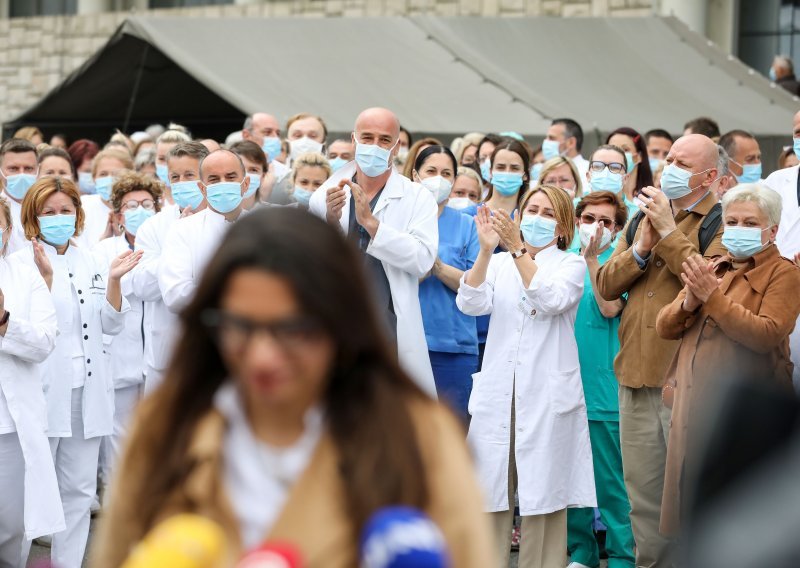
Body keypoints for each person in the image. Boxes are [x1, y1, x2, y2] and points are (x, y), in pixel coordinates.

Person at [91, 207, 494, 567]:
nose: (263, 356)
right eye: (241, 326)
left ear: (342, 324)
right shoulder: (165, 428)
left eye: (293, 329)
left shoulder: (420, 436)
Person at [596, 133, 726, 568]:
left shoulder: (722, 222)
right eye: (667, 158)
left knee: (690, 500)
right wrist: (641, 245)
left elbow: (707, 283)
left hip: (688, 381)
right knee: (644, 503)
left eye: (681, 162)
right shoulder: (642, 217)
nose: (668, 166)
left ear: (708, 176)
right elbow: (607, 284)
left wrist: (670, 233)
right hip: (635, 374)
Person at [457, 184, 595, 568]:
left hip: (546, 395)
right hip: (500, 391)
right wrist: (487, 251)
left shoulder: (571, 264)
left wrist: (517, 248)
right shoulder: (498, 264)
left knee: (544, 495)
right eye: (531, 209)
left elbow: (549, 299)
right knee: (491, 491)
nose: (537, 218)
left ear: (563, 227)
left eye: (548, 213)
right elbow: (470, 303)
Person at [656, 183, 800, 535]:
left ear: (773, 231)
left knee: (738, 522)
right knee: (692, 517)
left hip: (744, 415)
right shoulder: (713, 266)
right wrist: (689, 302)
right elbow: (664, 326)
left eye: (750, 223)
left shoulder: (784, 273)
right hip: (692, 408)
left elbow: (766, 333)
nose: (739, 229)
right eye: (732, 221)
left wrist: (713, 299)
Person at [10, 177, 139, 568]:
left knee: (79, 492)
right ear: (33, 218)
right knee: (31, 493)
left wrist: (115, 280)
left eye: (65, 210)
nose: (58, 218)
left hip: (89, 390)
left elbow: (111, 325)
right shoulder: (18, 265)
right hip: (44, 392)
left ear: (78, 215)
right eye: (49, 212)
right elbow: (24, 329)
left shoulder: (95, 260)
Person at [309, 107, 438, 397]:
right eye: (367, 138)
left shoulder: (417, 198)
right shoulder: (324, 196)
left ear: (396, 147)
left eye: (384, 139)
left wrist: (372, 225)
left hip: (390, 329)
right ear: (353, 141)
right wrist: (331, 222)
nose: (374, 147)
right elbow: (313, 267)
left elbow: (422, 260)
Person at [566, 191, 635, 568]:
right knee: (569, 481)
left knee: (611, 484)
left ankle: (624, 556)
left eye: (606, 221)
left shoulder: (621, 263)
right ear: (576, 222)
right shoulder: (559, 261)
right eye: (589, 217)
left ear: (619, 228)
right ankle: (581, 551)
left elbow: (609, 307)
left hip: (603, 392)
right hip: (563, 388)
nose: (596, 226)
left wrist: (593, 261)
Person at [0, 195, 64, 568]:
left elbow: (44, 341)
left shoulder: (24, 276)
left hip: (10, 425)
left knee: (11, 526)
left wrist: (5, 322)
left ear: (8, 232)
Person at [93, 172, 161, 496]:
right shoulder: (103, 251)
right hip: (120, 357)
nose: (140, 211)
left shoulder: (165, 243)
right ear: (118, 215)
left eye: (147, 204)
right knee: (118, 435)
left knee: (155, 433)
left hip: (158, 357)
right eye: (131, 206)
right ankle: (118, 498)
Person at [131, 141, 208, 394]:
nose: (182, 181)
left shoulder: (225, 220)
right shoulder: (154, 227)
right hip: (166, 355)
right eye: (175, 176)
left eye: (190, 175)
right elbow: (143, 287)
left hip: (212, 352)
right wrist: (176, 241)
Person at [414, 146, 479, 422]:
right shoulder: (398, 221)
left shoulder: (467, 226)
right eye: (431, 171)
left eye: (445, 173)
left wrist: (438, 267)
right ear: (415, 175)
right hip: (405, 341)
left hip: (453, 348)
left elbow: (476, 286)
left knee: (452, 435)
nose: (438, 179)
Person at [159, 149, 250, 315]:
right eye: (214, 180)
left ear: (245, 184)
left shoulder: (261, 227)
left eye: (230, 177)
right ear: (202, 188)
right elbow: (175, 294)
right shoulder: (183, 230)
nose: (222, 184)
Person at [77, 147, 133, 247]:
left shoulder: (139, 207)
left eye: (117, 174)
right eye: (103, 174)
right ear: (94, 178)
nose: (109, 179)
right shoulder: (82, 205)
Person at [0, 138, 39, 256]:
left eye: (28, 168)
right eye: (13, 169)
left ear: (38, 170)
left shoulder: (49, 209)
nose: (21, 174)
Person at [606, 127, 654, 217]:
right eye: (612, 148)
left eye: (625, 149)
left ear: (638, 156)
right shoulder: (598, 194)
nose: (617, 154)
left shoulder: (652, 200)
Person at [229, 140, 270, 209]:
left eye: (253, 170)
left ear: (263, 176)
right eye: (240, 168)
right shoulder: (209, 216)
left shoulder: (275, 214)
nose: (246, 176)